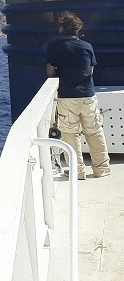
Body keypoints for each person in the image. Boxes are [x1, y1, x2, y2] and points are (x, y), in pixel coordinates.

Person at [44, 11, 111, 180]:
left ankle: (77, 171)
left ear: (62, 28)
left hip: (68, 96)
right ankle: (101, 169)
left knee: (70, 134)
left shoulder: (55, 46)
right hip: (88, 95)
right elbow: (90, 70)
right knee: (95, 131)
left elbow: (50, 71)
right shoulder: (87, 46)